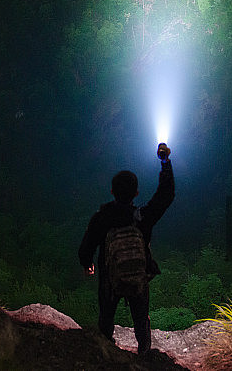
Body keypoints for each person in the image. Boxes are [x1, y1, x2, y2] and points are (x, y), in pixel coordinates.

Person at [78, 143, 175, 354]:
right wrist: (165, 163)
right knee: (141, 318)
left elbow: (87, 245)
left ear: (112, 191)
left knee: (106, 317)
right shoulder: (141, 217)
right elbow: (165, 197)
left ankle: (105, 354)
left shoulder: (102, 217)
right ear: (136, 192)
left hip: (110, 278)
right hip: (138, 276)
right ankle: (144, 354)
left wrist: (87, 264)